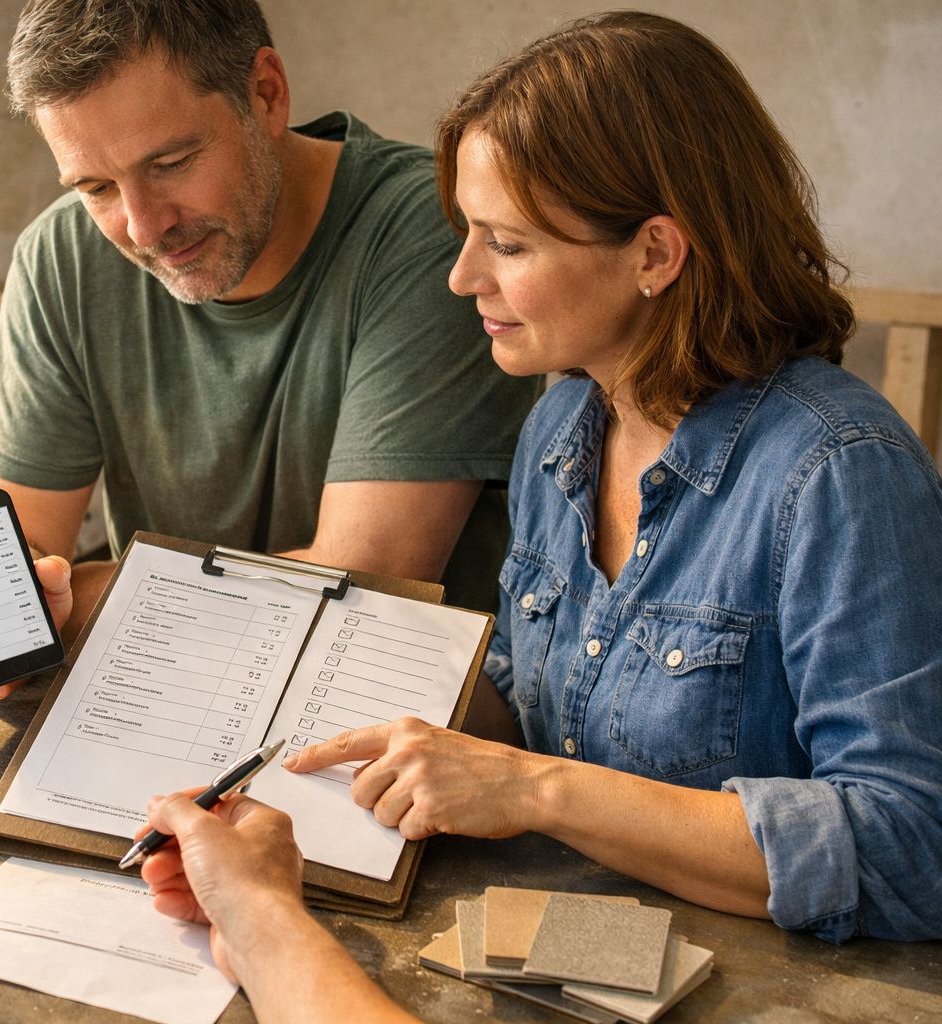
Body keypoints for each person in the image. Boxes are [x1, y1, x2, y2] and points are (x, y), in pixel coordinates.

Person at [138, 10, 942, 1014]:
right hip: (578, 956)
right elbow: (534, 698)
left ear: (654, 253)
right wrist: (372, 721)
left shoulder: (838, 472)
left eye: (507, 243)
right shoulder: (565, 419)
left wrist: (527, 786)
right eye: (468, 231)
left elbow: (915, 843)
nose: (462, 275)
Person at [0, 0, 537, 703]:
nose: (144, 227)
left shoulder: (428, 230)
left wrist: (65, 603)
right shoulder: (61, 257)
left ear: (266, 93)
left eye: (170, 163)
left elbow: (361, 584)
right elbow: (9, 567)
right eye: (96, 187)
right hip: (166, 696)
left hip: (390, 726)